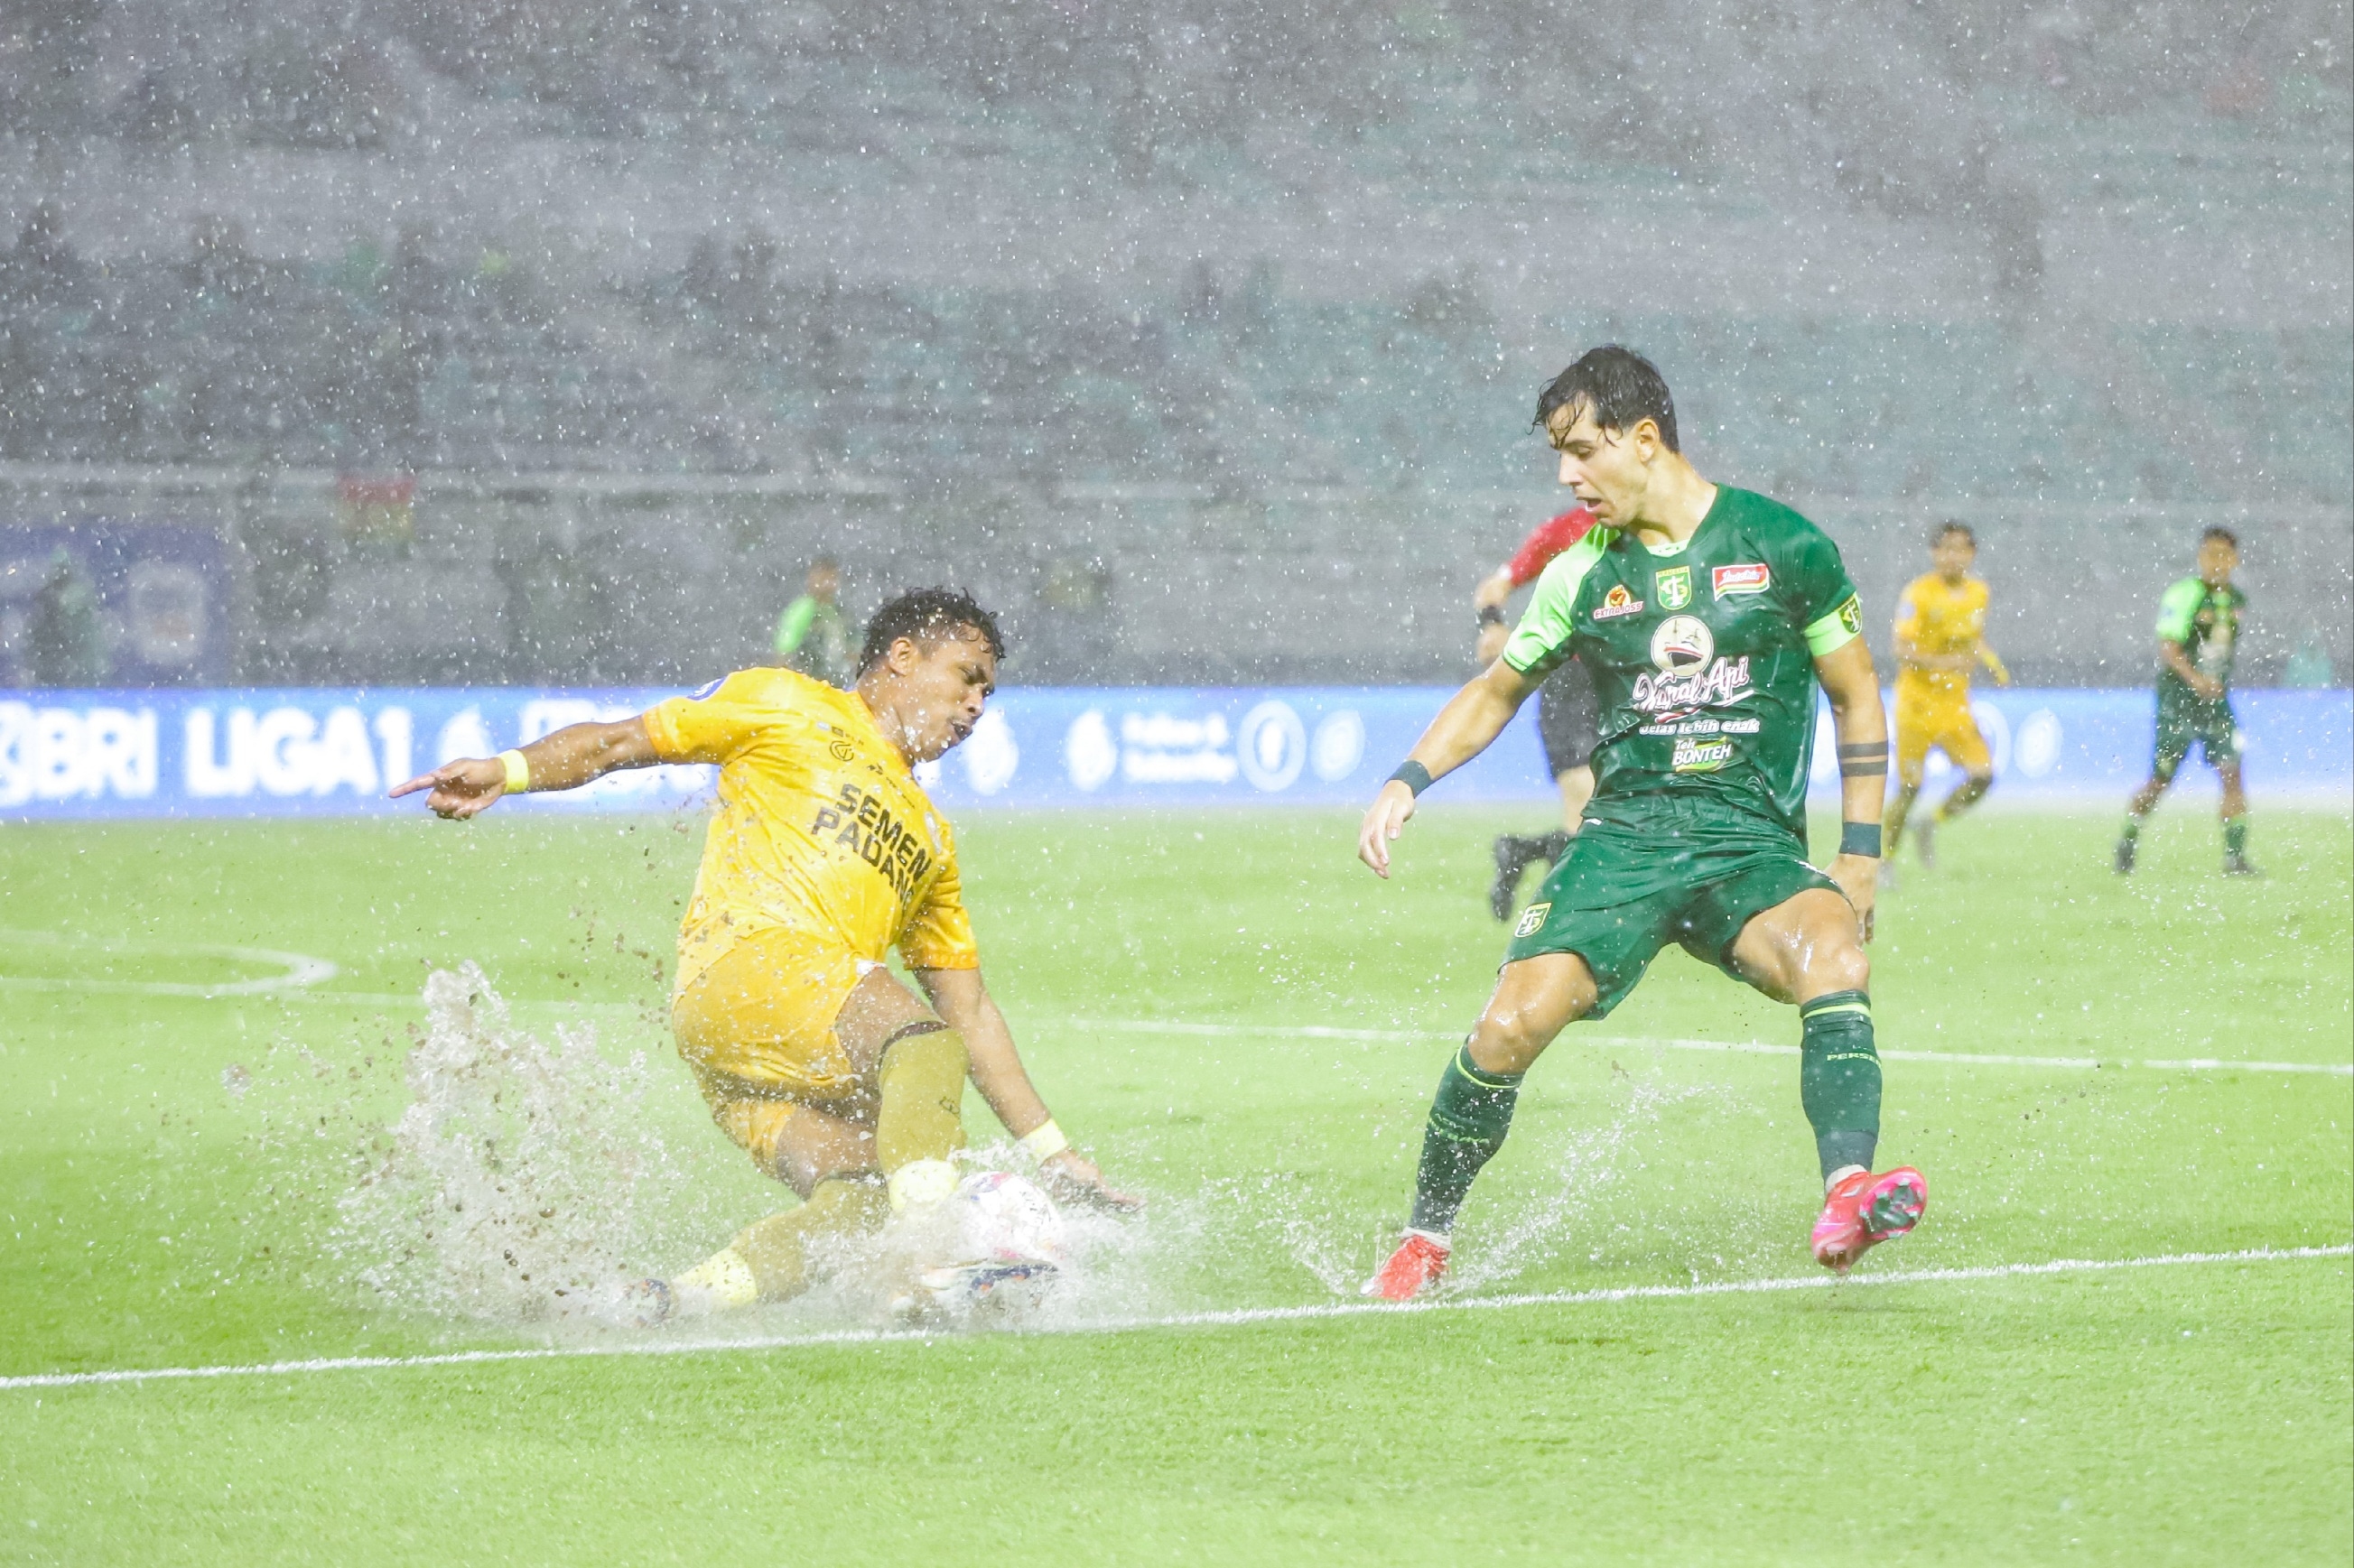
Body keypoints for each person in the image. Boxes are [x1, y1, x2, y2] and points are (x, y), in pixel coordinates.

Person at [393, 588, 1133, 1322]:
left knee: (862, 1198)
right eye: (967, 676)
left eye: (989, 692)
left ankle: (665, 1301)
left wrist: (1054, 1151)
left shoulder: (933, 840)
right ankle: (923, 1258)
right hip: (752, 968)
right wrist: (509, 770)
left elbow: (968, 1006)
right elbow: (621, 741)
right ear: (902, 657)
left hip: (751, 1057)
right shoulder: (787, 702)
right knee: (922, 1047)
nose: (977, 704)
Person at [1356, 347, 1924, 1302]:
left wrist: (1859, 857)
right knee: (1508, 1028)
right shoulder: (1582, 576)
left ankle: (1847, 1195)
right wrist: (1408, 779)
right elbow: (1496, 693)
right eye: (1559, 455)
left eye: (1581, 451)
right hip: (1622, 845)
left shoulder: (1787, 547)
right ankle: (1423, 1241)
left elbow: (1859, 700)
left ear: (1645, 438)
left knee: (1836, 959)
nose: (1566, 476)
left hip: (1750, 848)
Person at [1474, 507, 1601, 919]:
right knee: (1584, 807)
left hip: (1622, 680)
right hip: (1570, 679)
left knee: (1609, 813)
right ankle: (1567, 919)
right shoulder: (1562, 532)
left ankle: (1522, 851)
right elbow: (1495, 587)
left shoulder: (1652, 525)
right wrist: (1492, 625)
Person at [2117, 528, 2256, 877]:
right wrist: (2197, 680)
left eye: (2224, 555)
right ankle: (2128, 839)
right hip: (2178, 701)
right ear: (2200, 557)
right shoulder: (2184, 594)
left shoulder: (2236, 600)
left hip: (2216, 703)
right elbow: (2169, 648)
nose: (2217, 562)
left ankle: (2235, 858)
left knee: (2232, 772)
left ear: (2235, 559)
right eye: (2210, 554)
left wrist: (2214, 683)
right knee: (2160, 781)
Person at [1882, 522, 2010, 874]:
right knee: (1909, 788)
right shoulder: (1918, 594)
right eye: (1946, 549)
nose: (1953, 557)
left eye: (1961, 549)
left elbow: (1972, 639)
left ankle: (1930, 822)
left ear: (1972, 554)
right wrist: (1944, 663)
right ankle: (1886, 862)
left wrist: (1993, 665)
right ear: (1934, 553)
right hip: (1917, 705)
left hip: (1955, 706)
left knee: (1983, 776)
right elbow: (1900, 648)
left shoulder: (1979, 592)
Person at [773, 555, 854, 687]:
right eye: (822, 577)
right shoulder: (802, 610)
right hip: (806, 684)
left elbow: (851, 651)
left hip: (833, 684)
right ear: (811, 578)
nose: (826, 583)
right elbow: (784, 652)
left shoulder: (839, 613)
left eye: (831, 578)